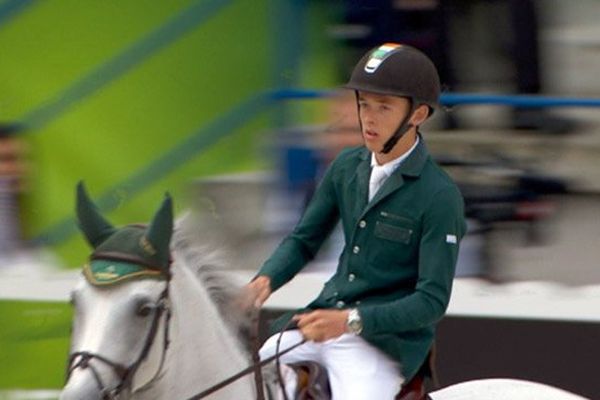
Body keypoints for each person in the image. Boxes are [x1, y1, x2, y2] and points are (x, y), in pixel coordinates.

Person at [245, 43, 467, 399]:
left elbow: (431, 302)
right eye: (364, 104)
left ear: (418, 114)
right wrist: (263, 282)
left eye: (384, 107)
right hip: (321, 321)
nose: (369, 118)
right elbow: (304, 239)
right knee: (249, 377)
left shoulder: (439, 196)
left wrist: (351, 321)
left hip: (382, 345)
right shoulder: (347, 167)